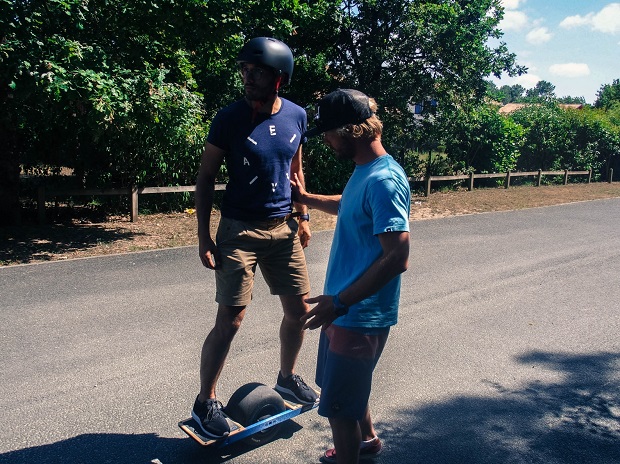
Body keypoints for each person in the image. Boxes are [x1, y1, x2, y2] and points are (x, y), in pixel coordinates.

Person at [192, 37, 318, 439]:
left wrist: (303, 216)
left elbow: (296, 169)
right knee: (230, 320)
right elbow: (206, 177)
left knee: (299, 311)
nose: (247, 77)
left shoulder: (297, 116)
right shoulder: (228, 118)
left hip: (283, 228)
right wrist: (204, 237)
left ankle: (287, 377)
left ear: (278, 78)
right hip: (238, 231)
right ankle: (204, 402)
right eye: (244, 70)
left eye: (257, 71)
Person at [291, 89, 411, 464]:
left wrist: (341, 302)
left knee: (340, 409)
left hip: (356, 313)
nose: (325, 140)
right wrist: (306, 198)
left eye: (328, 132)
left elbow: (397, 257)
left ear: (351, 131)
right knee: (344, 388)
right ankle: (368, 441)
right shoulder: (366, 172)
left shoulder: (384, 181)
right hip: (343, 307)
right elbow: (347, 206)